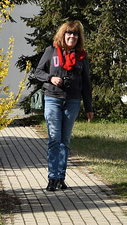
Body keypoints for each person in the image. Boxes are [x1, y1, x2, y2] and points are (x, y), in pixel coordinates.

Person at [33, 20, 94, 191]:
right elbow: (38, 71)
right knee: (54, 139)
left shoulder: (81, 56)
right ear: (63, 34)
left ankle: (61, 177)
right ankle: (52, 178)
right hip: (53, 98)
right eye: (68, 32)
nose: (72, 36)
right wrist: (50, 78)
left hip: (72, 101)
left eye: (75, 34)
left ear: (78, 37)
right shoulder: (51, 51)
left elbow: (86, 83)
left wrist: (89, 107)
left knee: (64, 141)